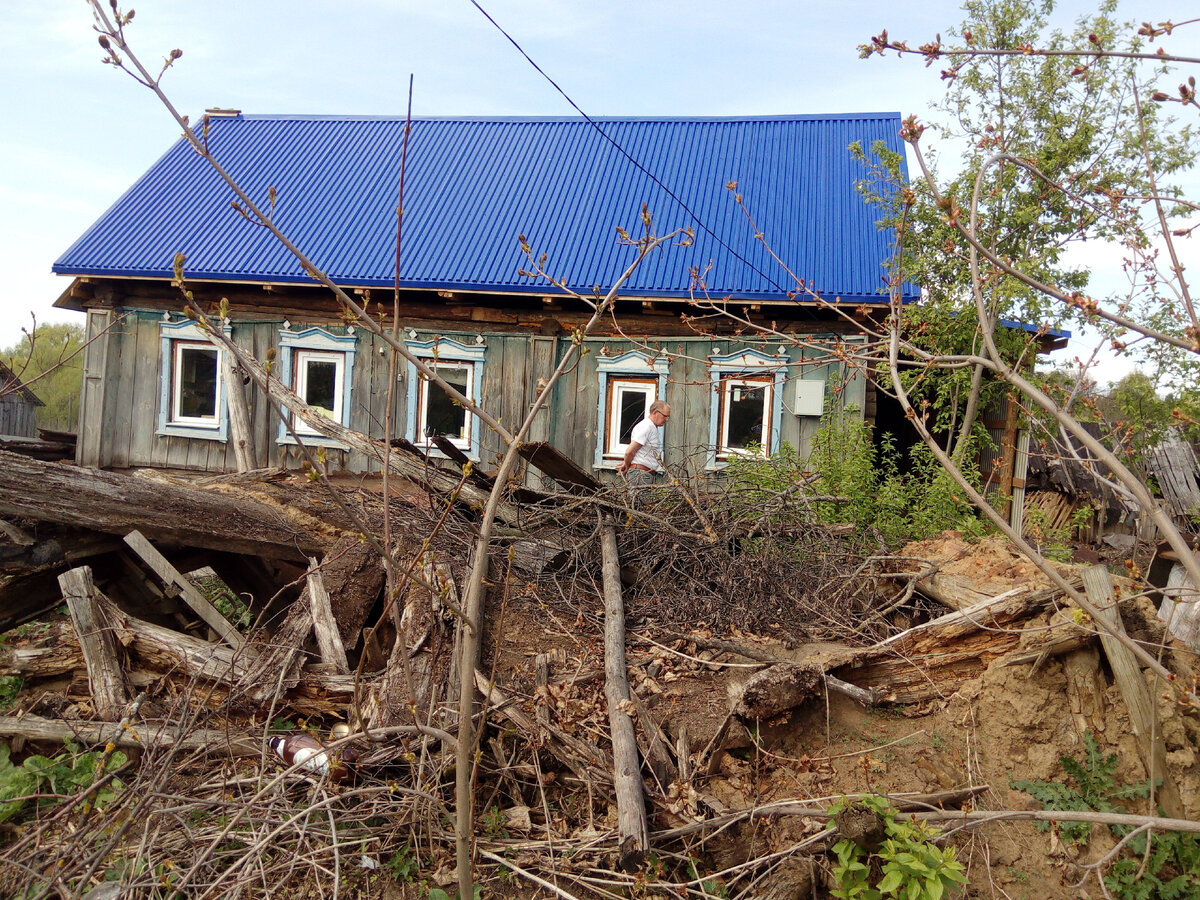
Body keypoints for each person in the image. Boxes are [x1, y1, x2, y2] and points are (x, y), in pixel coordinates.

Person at [616, 400, 670, 488]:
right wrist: (627, 465)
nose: (667, 420)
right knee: (639, 497)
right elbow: (629, 452)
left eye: (668, 417)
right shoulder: (646, 426)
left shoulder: (651, 427)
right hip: (640, 475)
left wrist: (627, 462)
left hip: (644, 474)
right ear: (655, 412)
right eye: (665, 416)